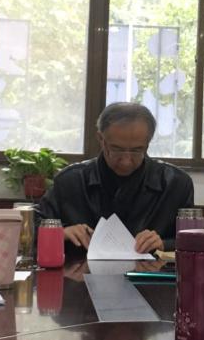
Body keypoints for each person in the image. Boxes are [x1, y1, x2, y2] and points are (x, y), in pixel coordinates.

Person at [37, 102, 194, 253]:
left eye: (136, 150)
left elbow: (193, 241)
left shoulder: (176, 184)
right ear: (101, 139)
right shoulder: (70, 181)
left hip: (150, 271)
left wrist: (164, 244)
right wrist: (61, 233)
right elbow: (33, 228)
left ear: (148, 144)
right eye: (117, 149)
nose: (126, 161)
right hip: (79, 270)